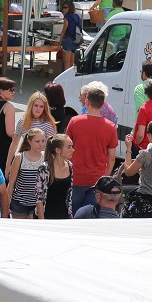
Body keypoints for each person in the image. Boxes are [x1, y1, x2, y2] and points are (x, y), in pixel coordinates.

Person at [65, 84, 118, 215]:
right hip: (97, 180)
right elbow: (111, 158)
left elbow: (66, 149)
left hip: (75, 177)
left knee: (72, 215)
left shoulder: (74, 121)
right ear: (103, 103)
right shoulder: (110, 127)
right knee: (90, 217)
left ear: (87, 102)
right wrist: (105, 175)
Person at [6, 128, 47, 219]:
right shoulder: (20, 157)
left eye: (43, 141)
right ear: (29, 141)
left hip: (38, 204)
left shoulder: (46, 157)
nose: (41, 144)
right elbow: (11, 182)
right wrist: (6, 204)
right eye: (37, 141)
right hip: (20, 203)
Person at [8, 92, 57, 161]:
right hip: (24, 159)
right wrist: (8, 165)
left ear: (44, 108)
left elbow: (52, 147)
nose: (38, 109)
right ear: (31, 106)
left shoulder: (47, 124)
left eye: (41, 106)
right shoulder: (22, 121)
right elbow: (14, 144)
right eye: (36, 105)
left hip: (42, 161)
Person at [36, 134, 74, 219]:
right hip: (48, 215)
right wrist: (42, 221)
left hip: (64, 215)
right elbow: (39, 198)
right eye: (69, 147)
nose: (73, 150)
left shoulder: (70, 166)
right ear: (58, 150)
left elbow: (69, 195)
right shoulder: (44, 168)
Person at [59, 1, 82, 70]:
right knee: (72, 65)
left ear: (70, 8)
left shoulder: (67, 17)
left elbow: (63, 31)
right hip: (76, 41)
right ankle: (71, 79)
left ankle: (65, 80)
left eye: (65, 7)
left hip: (68, 40)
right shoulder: (77, 16)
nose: (63, 9)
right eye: (63, 8)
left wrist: (59, 43)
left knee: (66, 64)